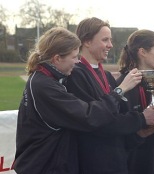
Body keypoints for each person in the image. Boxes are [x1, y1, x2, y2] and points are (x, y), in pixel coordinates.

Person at [14, 27, 132, 174]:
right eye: (74, 57)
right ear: (57, 58)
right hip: (45, 166)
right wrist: (120, 90)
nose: (77, 62)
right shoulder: (45, 86)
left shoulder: (45, 79)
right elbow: (88, 116)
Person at [65, 17, 154, 174]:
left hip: (117, 161)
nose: (110, 45)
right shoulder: (76, 75)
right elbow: (96, 121)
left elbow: (118, 117)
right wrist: (142, 118)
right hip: (93, 164)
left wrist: (144, 130)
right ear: (87, 42)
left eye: (110, 40)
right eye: (105, 40)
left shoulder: (106, 75)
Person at [117, 29, 154, 174]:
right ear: (142, 52)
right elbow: (117, 128)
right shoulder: (123, 84)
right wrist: (141, 129)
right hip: (134, 163)